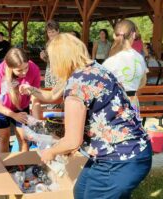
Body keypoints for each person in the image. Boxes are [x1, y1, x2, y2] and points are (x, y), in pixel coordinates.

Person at [20, 33, 152, 199]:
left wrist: (51, 152)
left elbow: (72, 141)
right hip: (129, 151)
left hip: (120, 158)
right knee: (81, 192)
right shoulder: (96, 68)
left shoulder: (76, 87)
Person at [0, 48, 41, 152]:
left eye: (26, 68)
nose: (24, 72)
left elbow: (36, 97)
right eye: (19, 70)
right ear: (10, 67)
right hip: (2, 109)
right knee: (4, 139)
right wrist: (13, 115)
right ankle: (6, 166)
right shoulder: (1, 71)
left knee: (24, 139)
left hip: (22, 108)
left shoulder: (34, 69)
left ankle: (23, 167)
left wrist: (36, 120)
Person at [103, 20, 148, 117]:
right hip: (133, 103)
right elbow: (143, 82)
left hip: (114, 105)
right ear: (134, 35)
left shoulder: (111, 61)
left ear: (115, 36)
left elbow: (103, 85)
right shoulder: (139, 58)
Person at [40, 20, 60, 88]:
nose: (51, 34)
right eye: (49, 32)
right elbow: (49, 60)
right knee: (48, 90)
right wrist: (44, 57)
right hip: (49, 69)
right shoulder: (48, 43)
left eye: (53, 31)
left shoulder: (62, 42)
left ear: (58, 31)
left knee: (57, 92)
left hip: (59, 71)